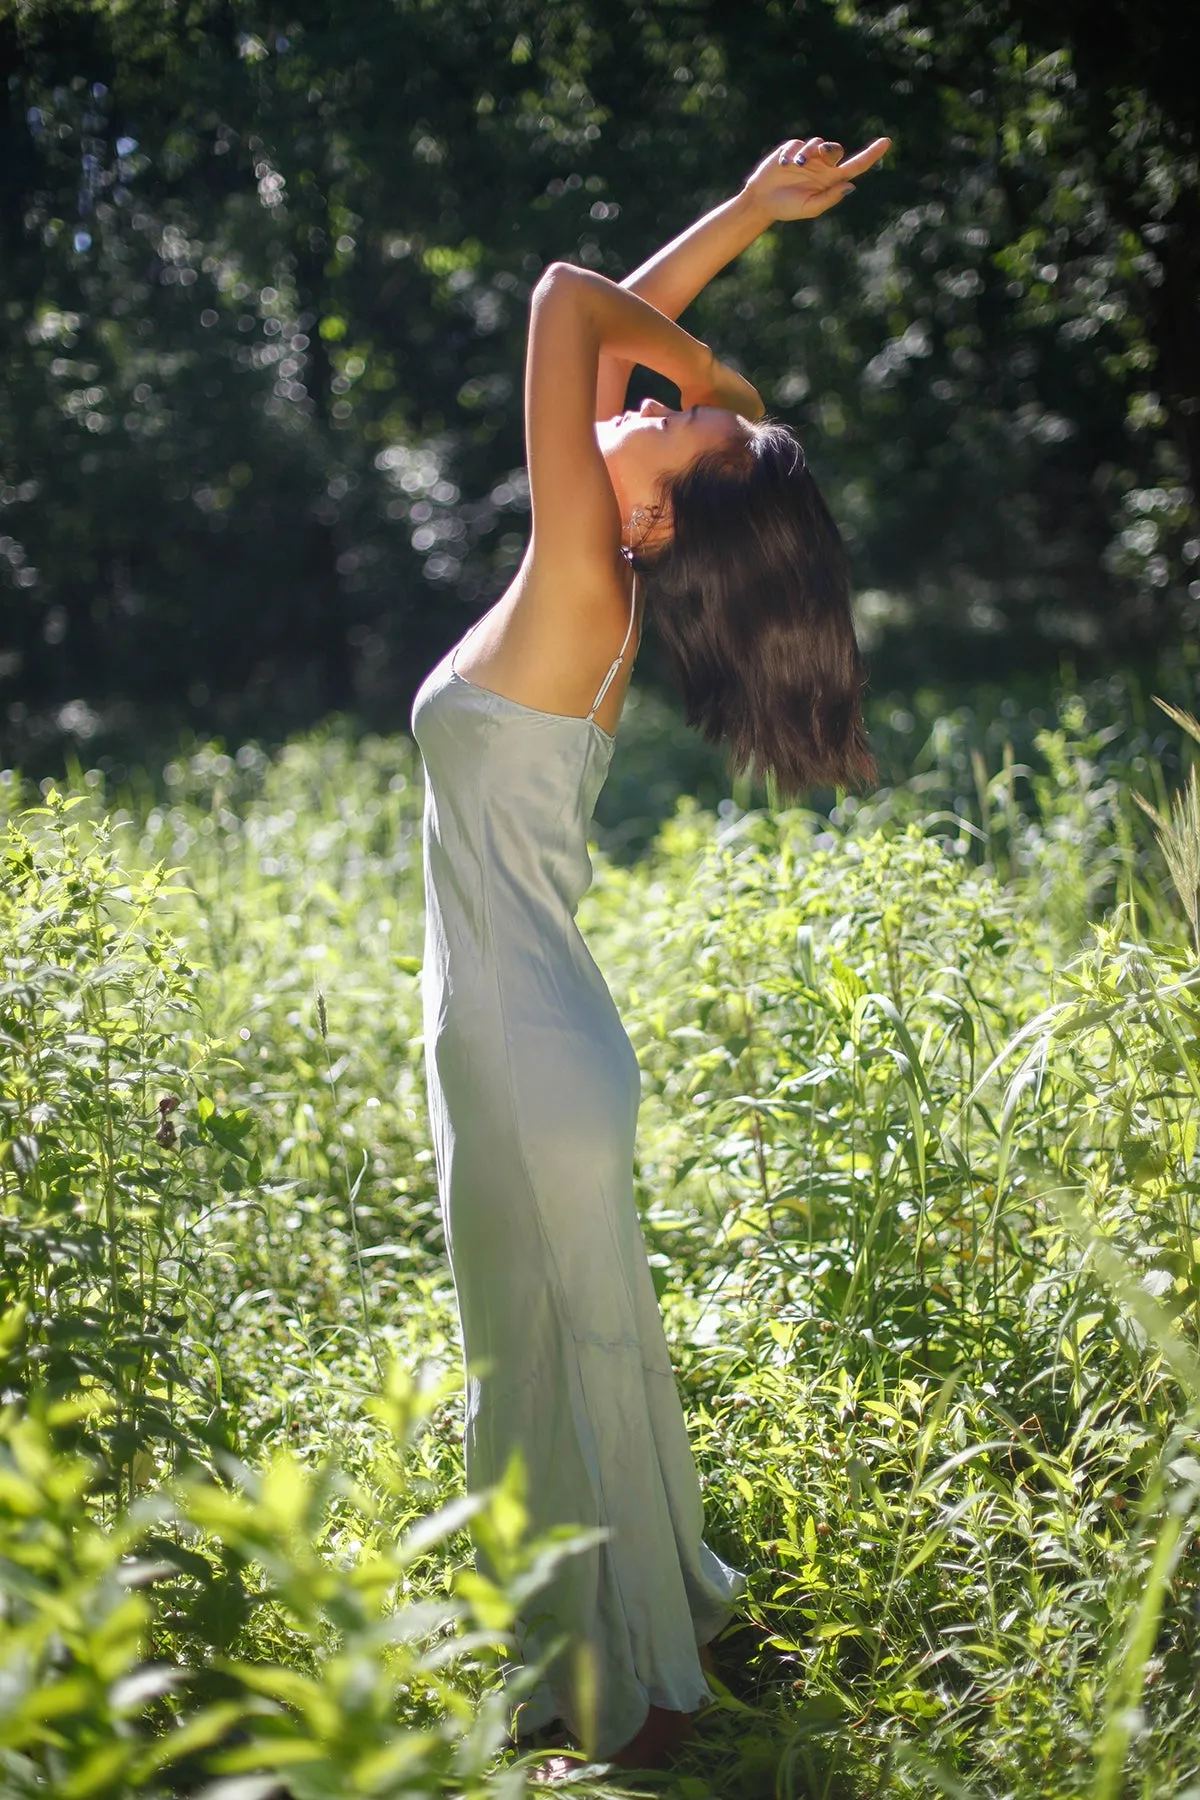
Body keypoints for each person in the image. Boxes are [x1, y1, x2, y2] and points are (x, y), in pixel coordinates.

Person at [410, 130, 890, 1773]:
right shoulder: (592, 572)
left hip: (526, 1045)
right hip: (529, 1036)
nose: (644, 403)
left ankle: (636, 1701)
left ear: (659, 514)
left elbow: (569, 307)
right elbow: (610, 331)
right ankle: (619, 1656)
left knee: (550, 1354)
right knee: (556, 1346)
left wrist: (709, 368)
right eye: (658, 407)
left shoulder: (582, 581)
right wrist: (749, 220)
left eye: (671, 426)